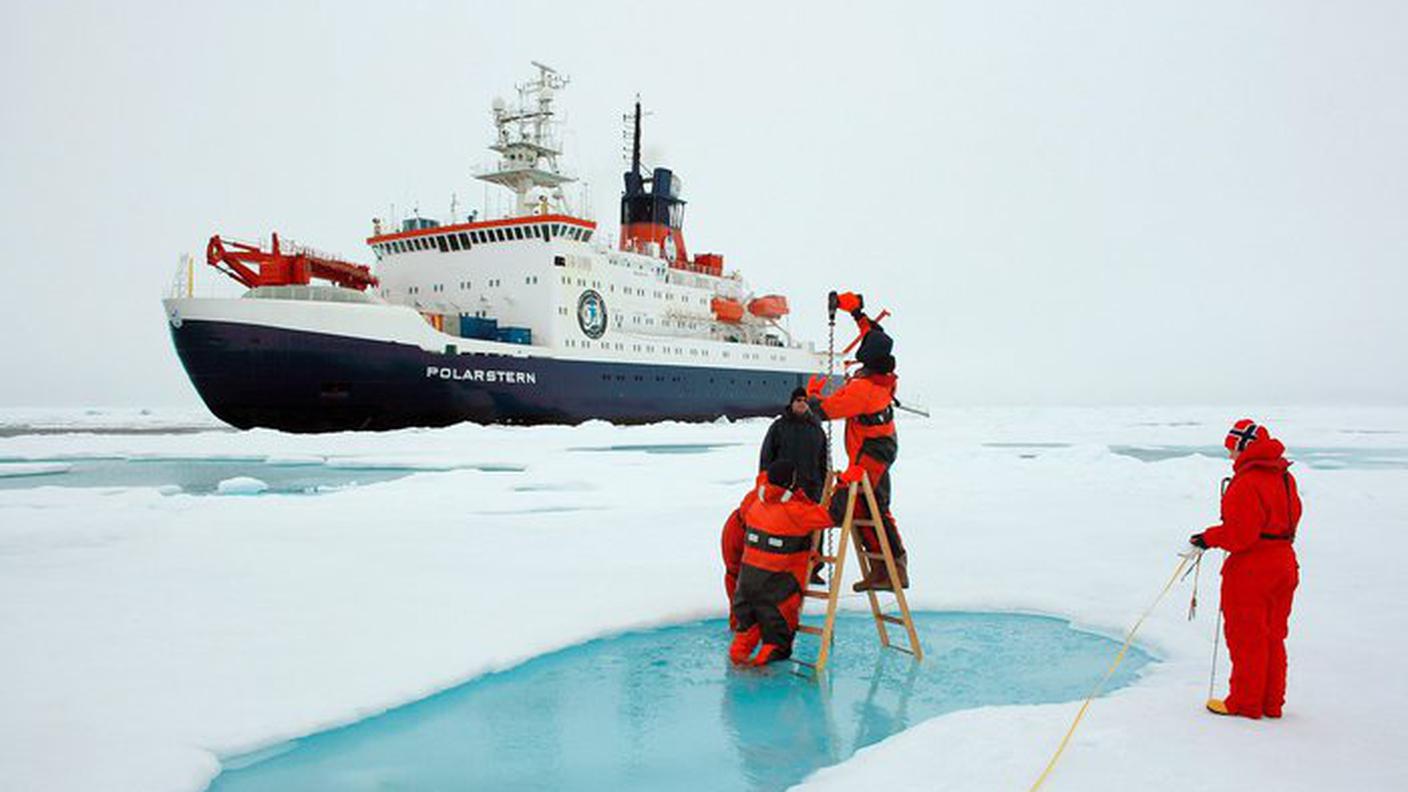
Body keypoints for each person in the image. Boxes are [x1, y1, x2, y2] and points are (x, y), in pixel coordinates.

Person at [1187, 419, 1302, 719]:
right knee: (1273, 636)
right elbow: (1292, 517)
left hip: (1253, 569)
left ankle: (1245, 703)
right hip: (1284, 563)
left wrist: (1208, 538)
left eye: (1232, 450)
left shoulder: (1248, 482)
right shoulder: (1285, 478)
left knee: (1247, 637)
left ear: (1244, 447)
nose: (1230, 457)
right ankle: (1271, 703)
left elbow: (1241, 535)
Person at [806, 292, 906, 591]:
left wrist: (812, 395)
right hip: (879, 447)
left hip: (871, 454)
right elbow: (875, 333)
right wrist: (856, 311)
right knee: (870, 508)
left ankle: (893, 569)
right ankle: (883, 569)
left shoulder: (863, 390)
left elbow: (823, 411)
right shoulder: (883, 375)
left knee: (849, 505)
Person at [729, 459, 834, 666]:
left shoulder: (754, 503)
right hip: (777, 588)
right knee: (777, 644)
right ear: (792, 483)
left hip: (747, 586)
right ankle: (763, 678)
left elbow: (746, 507)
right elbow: (831, 516)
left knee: (744, 635)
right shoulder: (797, 513)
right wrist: (845, 486)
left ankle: (739, 668)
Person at [759, 388, 830, 503]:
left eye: (805, 401)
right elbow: (766, 457)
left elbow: (822, 461)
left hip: (810, 491)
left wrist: (821, 486)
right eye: (798, 400)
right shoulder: (779, 427)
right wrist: (765, 484)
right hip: (784, 491)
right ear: (792, 403)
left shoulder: (817, 430)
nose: (802, 403)